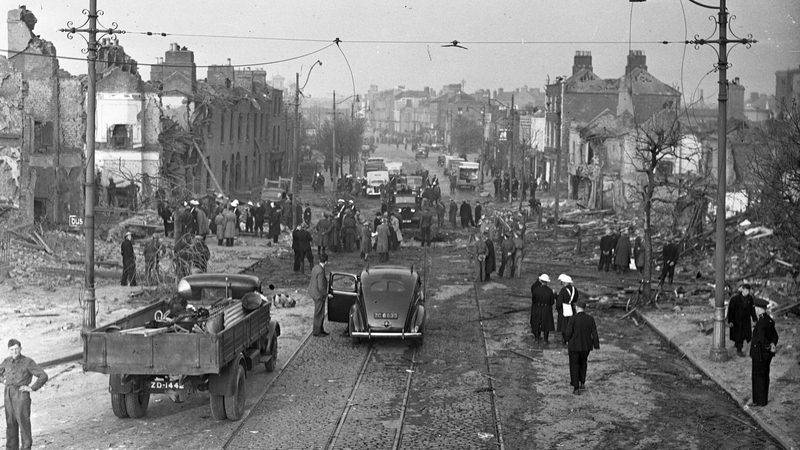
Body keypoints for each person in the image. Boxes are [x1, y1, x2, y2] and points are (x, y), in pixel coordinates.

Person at [1, 339, 48, 450]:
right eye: (12, 349)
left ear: (21, 349)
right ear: (8, 350)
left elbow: (43, 376)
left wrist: (32, 388)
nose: (14, 351)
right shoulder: (6, 361)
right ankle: (11, 448)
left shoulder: (28, 362)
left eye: (17, 349)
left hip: (21, 395)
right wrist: (3, 381)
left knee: (23, 423)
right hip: (8, 394)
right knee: (10, 422)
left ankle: (26, 447)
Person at [565, 300, 600, 395]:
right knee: (583, 363)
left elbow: (568, 332)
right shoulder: (590, 318)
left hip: (574, 346)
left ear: (577, 307)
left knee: (574, 365)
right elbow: (594, 333)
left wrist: (565, 340)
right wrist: (596, 345)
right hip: (586, 346)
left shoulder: (573, 319)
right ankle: (582, 382)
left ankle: (576, 387)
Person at [750, 297, 778, 406]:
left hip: (759, 354)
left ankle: (758, 401)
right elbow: (775, 336)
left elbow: (762, 339)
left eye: (756, 308)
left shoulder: (761, 322)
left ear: (759, 309)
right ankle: (763, 401)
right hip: (767, 355)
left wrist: (767, 345)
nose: (756, 310)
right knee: (765, 376)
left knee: (758, 377)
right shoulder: (770, 320)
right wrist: (772, 345)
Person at [728, 284, 757, 357]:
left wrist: (755, 319)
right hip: (737, 321)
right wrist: (730, 321)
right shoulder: (735, 299)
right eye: (746, 290)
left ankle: (738, 344)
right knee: (739, 335)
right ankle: (739, 350)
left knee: (744, 335)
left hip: (746, 320)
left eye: (748, 291)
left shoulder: (750, 299)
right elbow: (731, 310)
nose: (747, 292)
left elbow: (752, 310)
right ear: (742, 289)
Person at [307, 254, 330, 336]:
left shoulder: (315, 268)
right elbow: (320, 286)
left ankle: (320, 329)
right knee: (319, 313)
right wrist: (326, 294)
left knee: (320, 312)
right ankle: (317, 332)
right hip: (318, 295)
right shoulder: (321, 271)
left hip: (313, 292)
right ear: (326, 262)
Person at [530, 274, 555, 344]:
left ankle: (536, 338)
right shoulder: (549, 291)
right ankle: (545, 340)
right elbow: (552, 302)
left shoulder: (536, 290)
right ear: (547, 282)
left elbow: (533, 299)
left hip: (537, 308)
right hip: (546, 308)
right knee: (546, 324)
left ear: (541, 281)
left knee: (536, 323)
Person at [556, 274, 579, 345]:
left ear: (565, 282)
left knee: (564, 326)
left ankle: (565, 340)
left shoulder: (563, 290)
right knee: (571, 324)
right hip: (572, 308)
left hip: (564, 309)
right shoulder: (575, 289)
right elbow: (576, 299)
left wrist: (558, 308)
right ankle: (570, 339)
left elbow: (559, 302)